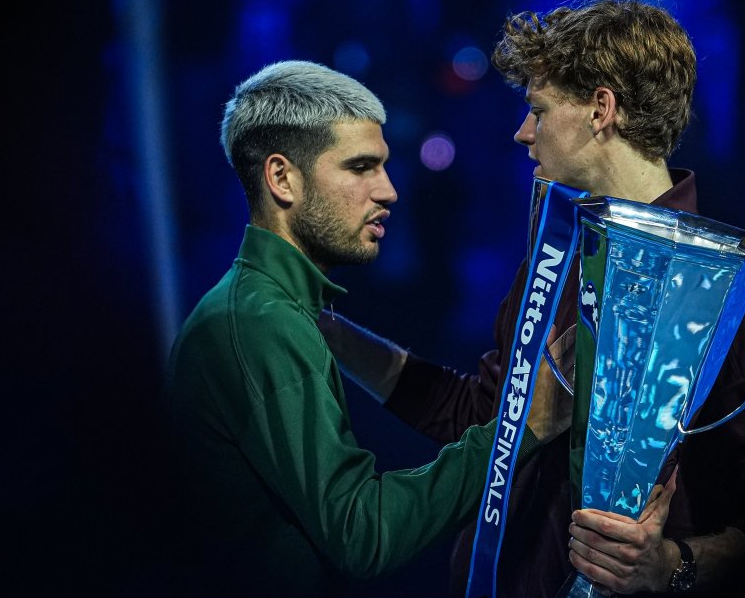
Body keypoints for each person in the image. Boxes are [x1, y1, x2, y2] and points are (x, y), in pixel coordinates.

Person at [320, 0, 745, 596]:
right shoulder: (556, 251)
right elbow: (482, 418)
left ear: (600, 110)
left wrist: (671, 567)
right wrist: (327, 331)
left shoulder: (742, 284)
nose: (521, 132)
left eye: (538, 108)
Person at [160, 60, 572, 596]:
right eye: (360, 168)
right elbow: (363, 534)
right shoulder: (261, 323)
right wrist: (523, 431)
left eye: (383, 165)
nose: (389, 191)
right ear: (282, 178)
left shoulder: (269, 312)